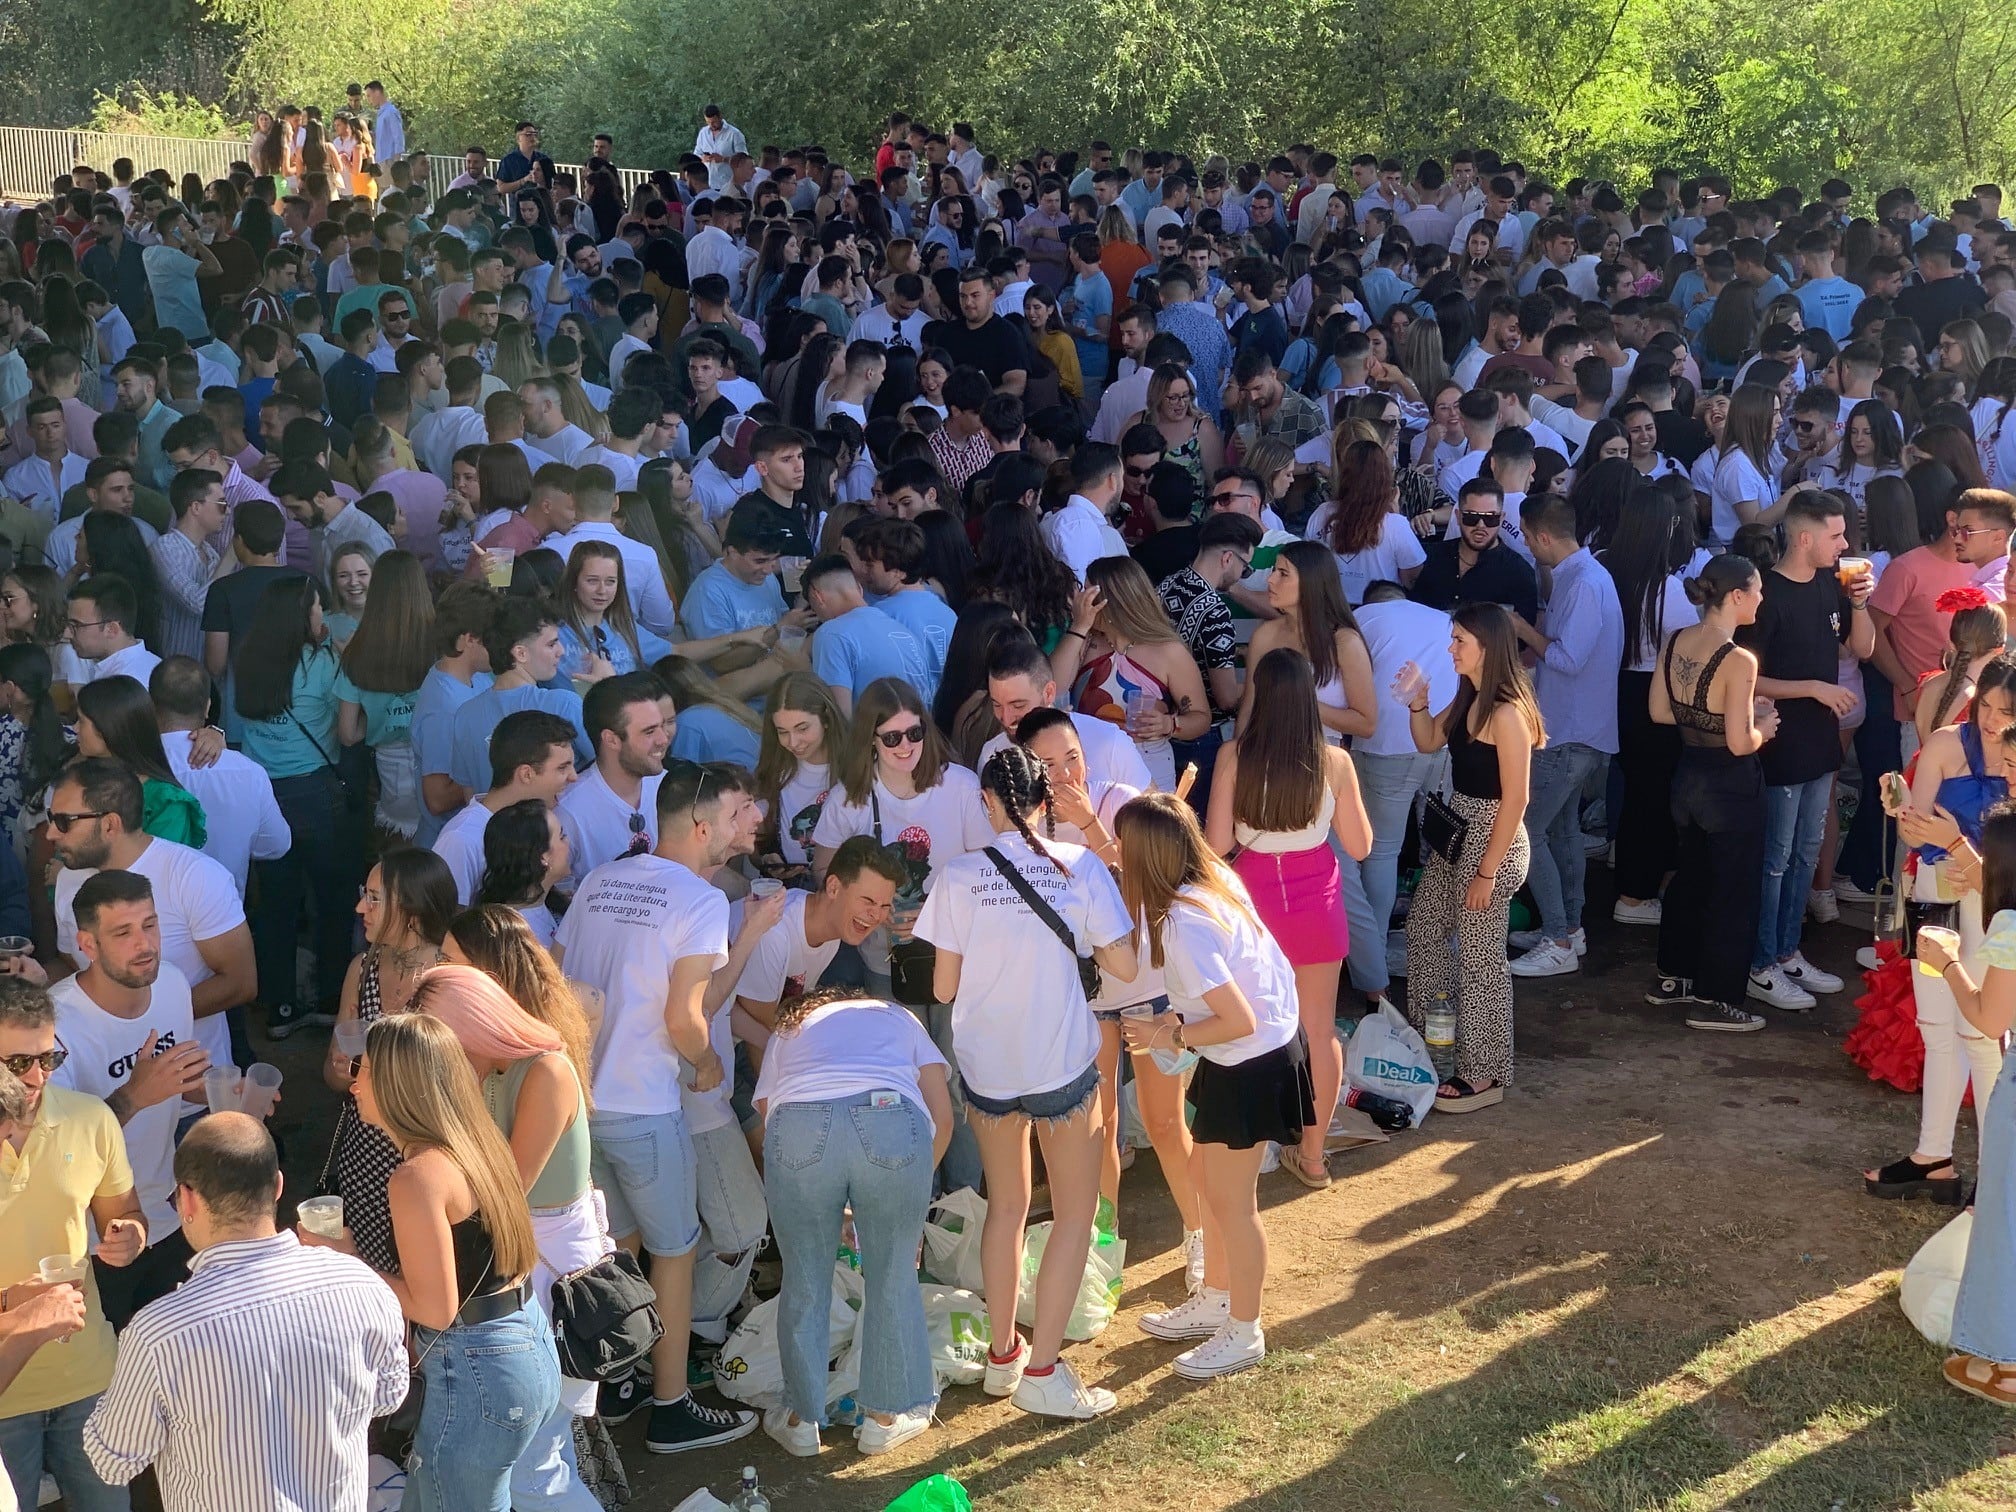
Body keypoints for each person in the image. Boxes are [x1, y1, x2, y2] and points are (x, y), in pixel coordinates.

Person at [912, 746, 1138, 1419]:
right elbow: (1123, 966)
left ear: (987, 802)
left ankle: (1004, 1355)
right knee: (1072, 1214)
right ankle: (1043, 1370)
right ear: (1047, 800)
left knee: (1006, 1207)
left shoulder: (955, 877)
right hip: (1061, 1064)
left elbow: (944, 987)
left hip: (987, 1069)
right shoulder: (1080, 866)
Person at [553, 761, 761, 1455]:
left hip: (581, 1101)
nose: (748, 824)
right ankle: (672, 1407)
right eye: (738, 814)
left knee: (615, 1248)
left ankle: (616, 1384)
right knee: (675, 1250)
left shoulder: (598, 879)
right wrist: (706, 1066)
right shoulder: (700, 902)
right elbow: (685, 1017)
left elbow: (555, 983)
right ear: (703, 827)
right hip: (644, 1104)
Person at [80, 1113, 408, 1510]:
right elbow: (389, 1396)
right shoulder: (363, 1286)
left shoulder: (159, 1333)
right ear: (278, 1187)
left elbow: (112, 1460)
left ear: (186, 1199)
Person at [304, 1013, 560, 1511]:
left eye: (366, 1069)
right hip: (523, 1342)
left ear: (401, 1086)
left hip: (477, 1371)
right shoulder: (477, 1143)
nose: (353, 1081)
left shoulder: (416, 1179)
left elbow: (435, 1308)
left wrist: (346, 1259)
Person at [1116, 792, 1312, 1376]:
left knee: (1232, 1203)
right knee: (1206, 1179)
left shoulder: (1182, 925)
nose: (1117, 861)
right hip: (1246, 1056)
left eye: (1123, 849)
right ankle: (1216, 1301)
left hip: (1252, 1058)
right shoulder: (1212, 880)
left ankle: (1244, 1329)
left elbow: (1236, 1019)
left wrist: (1166, 1032)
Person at [408, 966, 607, 1512]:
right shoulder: (487, 1071)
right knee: (536, 1462)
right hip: (515, 1276)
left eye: (441, 1043)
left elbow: (504, 1192)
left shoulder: (545, 1071)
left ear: (471, 1028)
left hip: (549, 1277)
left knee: (535, 1472)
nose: (437, 1062)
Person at [752, 982, 951, 1457]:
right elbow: (941, 1116)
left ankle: (801, 1421)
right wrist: (908, 1191)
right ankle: (884, 1419)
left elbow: (766, 1112)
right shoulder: (899, 1016)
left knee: (804, 1276)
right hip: (890, 1120)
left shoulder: (789, 1027)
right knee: (893, 1273)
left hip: (798, 1122)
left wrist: (837, 1197)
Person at [1206, 648, 1370, 1186]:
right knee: (1320, 1031)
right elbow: (1362, 845)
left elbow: (1217, 844)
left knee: (1255, 1029)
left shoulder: (1233, 757)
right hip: (1318, 905)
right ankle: (1315, 1153)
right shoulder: (1336, 762)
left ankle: (1257, 1149)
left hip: (1255, 906)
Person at [1862, 656, 2016, 1198]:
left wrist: (1959, 843)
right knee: (1936, 1027)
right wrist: (1904, 814)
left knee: (1982, 1031)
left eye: (2006, 711)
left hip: (1995, 903)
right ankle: (1934, 1156)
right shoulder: (1948, 744)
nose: (1993, 721)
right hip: (1937, 895)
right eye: (1987, 707)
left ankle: (1999, 1170)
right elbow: (1912, 833)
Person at [0, 976, 147, 1512]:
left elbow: (125, 1214)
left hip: (85, 1375)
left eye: (49, 1058)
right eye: (19, 1063)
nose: (37, 1076)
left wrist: (129, 1237)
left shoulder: (90, 1119)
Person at [47, 758, 252, 1118]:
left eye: (63, 822)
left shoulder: (195, 877)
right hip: (102, 1104)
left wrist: (138, 1028)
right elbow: (76, 967)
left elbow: (240, 983)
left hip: (193, 1104)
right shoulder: (68, 880)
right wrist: (36, 976)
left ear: (110, 824)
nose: (50, 834)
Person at [1400, 603, 1545, 1112]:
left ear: (1488, 645)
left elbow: (1517, 798)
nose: (1451, 647)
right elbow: (1427, 742)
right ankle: (1432, 1040)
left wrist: (1486, 871)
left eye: (1460, 639)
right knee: (1422, 931)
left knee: (1482, 959)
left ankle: (1484, 1071)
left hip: (1491, 839)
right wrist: (1418, 704)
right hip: (1459, 830)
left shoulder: (1507, 712)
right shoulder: (1469, 698)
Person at [45, 872, 204, 1327]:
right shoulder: (57, 1025)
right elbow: (56, 1151)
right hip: (99, 1240)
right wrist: (134, 1095)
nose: (145, 944)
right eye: (123, 932)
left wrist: (215, 1090)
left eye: (150, 925)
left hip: (171, 1217)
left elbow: (176, 1089)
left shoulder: (172, 984)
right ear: (87, 944)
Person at [1736, 490, 1875, 1010]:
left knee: (1803, 853)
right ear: (1805, 538)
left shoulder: (1829, 584)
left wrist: (1859, 603)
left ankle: (1787, 951)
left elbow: (1863, 649)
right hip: (1778, 744)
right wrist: (1813, 688)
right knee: (1774, 858)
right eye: (1837, 535)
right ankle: (1761, 962)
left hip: (1819, 743)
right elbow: (1746, 677)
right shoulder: (1764, 594)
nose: (1845, 545)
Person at [1646, 554, 1779, 1032]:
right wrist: (1763, 727)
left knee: (1690, 878)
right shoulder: (1740, 659)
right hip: (1730, 788)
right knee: (1734, 890)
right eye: (1758, 590)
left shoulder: (1677, 639)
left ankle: (1673, 976)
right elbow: (1742, 743)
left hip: (1687, 779)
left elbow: (1661, 713)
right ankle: (1717, 999)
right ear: (1737, 596)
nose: (1762, 599)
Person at [235, 574, 366, 1034]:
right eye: (315, 609)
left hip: (265, 796)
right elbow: (352, 716)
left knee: (276, 904)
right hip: (318, 791)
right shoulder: (323, 661)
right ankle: (331, 998)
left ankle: (281, 1008)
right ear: (300, 616)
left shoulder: (247, 660)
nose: (321, 616)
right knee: (334, 899)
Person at [1503, 494, 1626, 978]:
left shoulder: (1585, 583)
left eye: (1530, 539)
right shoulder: (1581, 577)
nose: (1529, 548)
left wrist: (1521, 628)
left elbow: (1568, 660)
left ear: (1544, 536)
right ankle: (1569, 928)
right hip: (1576, 732)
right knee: (1561, 830)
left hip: (1570, 734)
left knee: (1526, 831)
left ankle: (1557, 936)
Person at [319, 850, 458, 1276]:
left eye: (375, 898)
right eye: (365, 895)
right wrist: (341, 1073)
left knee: (421, 1276)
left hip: (425, 1159)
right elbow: (331, 1070)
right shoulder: (361, 970)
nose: (361, 907)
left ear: (411, 911)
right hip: (362, 1157)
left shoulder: (452, 978)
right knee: (364, 1277)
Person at [1919, 803, 2016, 1402]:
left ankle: (2004, 1362)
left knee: (2005, 1219)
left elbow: (1989, 1016)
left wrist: (1948, 965)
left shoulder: (2009, 926)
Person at [1049, 555, 1212, 791]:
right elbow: (1052, 688)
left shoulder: (1169, 651)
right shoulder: (1085, 640)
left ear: (1111, 601)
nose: (1080, 599)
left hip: (1148, 760)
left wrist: (1170, 724)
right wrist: (1079, 626)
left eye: (1088, 591)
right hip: (1088, 756)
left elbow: (1201, 717)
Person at [432, 710, 580, 905]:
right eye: (562, 768)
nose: (574, 777)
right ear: (526, 774)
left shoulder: (542, 821)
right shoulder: (461, 839)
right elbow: (445, 922)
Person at [556, 673, 671, 892]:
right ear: (611, 739)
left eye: (662, 726)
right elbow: (559, 900)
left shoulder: (667, 785)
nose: (663, 739)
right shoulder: (569, 812)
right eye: (649, 731)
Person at [73, 676, 205, 847]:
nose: (75, 728)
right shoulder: (80, 778)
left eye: (81, 721)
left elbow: (157, 866)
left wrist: (70, 874)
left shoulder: (167, 804)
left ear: (107, 728)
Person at [803, 555, 932, 714]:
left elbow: (838, 717)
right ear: (859, 588)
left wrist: (802, 672)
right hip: (918, 734)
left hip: (874, 736)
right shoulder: (900, 629)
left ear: (818, 597)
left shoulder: (831, 633)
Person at [753, 672, 845, 882]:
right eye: (782, 731)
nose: (793, 742)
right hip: (793, 889)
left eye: (802, 728)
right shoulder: (775, 767)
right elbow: (757, 842)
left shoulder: (858, 764)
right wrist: (766, 860)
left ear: (827, 719)